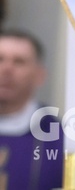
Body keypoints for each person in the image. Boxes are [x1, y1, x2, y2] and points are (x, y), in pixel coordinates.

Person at [0, 30, 64, 190]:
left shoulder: (59, 138)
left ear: (39, 75)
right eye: (0, 59)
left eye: (19, 61)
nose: (6, 69)